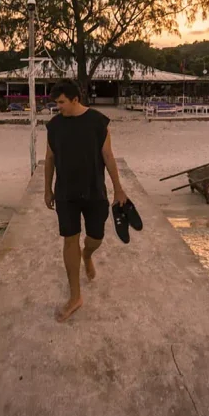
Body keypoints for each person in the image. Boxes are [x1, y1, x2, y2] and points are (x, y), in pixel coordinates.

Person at [44, 79, 127, 322]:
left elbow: (108, 156)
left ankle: (88, 255)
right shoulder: (54, 126)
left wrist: (119, 189)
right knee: (69, 240)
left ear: (75, 99)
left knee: (95, 239)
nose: (58, 107)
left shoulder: (98, 123)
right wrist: (47, 190)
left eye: (61, 103)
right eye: (56, 103)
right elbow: (50, 159)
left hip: (94, 192)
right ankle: (75, 297)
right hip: (66, 194)